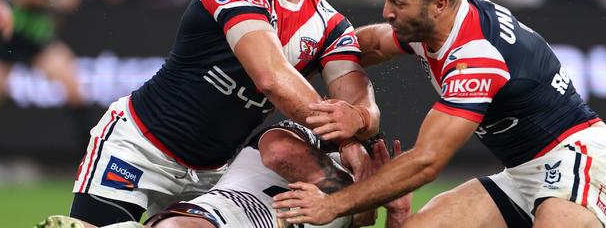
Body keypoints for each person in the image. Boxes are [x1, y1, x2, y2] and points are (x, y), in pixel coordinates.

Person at [69, 0, 380, 226]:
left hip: (214, 175)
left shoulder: (331, 25)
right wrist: (348, 140)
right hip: (139, 149)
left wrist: (361, 123)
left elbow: (355, 99)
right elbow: (271, 77)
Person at [272, 0, 606, 228]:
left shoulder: (477, 56)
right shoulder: (431, 23)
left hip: (580, 157)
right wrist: (281, 62)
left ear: (439, 5)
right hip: (523, 174)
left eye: (398, 2)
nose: (386, 12)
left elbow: (428, 161)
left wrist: (332, 204)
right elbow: (360, 45)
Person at [40, 121, 410, 228]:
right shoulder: (298, 143)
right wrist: (354, 187)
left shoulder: (351, 215)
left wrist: (396, 212)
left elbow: (364, 215)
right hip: (230, 216)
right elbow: (281, 151)